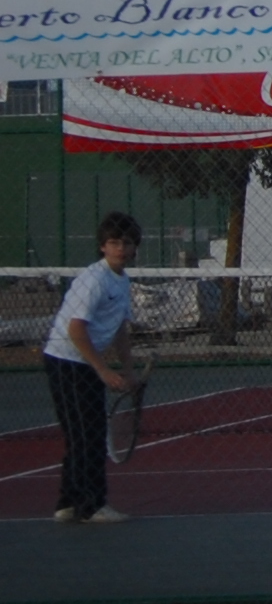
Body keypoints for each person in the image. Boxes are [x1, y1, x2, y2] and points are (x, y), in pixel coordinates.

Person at [45, 211, 141, 522]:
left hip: (83, 361)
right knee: (88, 435)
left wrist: (128, 369)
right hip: (67, 361)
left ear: (134, 247)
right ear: (102, 246)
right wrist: (103, 370)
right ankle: (91, 505)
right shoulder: (94, 280)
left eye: (127, 243)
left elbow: (119, 329)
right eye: (114, 243)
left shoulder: (122, 281)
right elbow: (76, 329)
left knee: (84, 434)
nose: (121, 249)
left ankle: (68, 502)